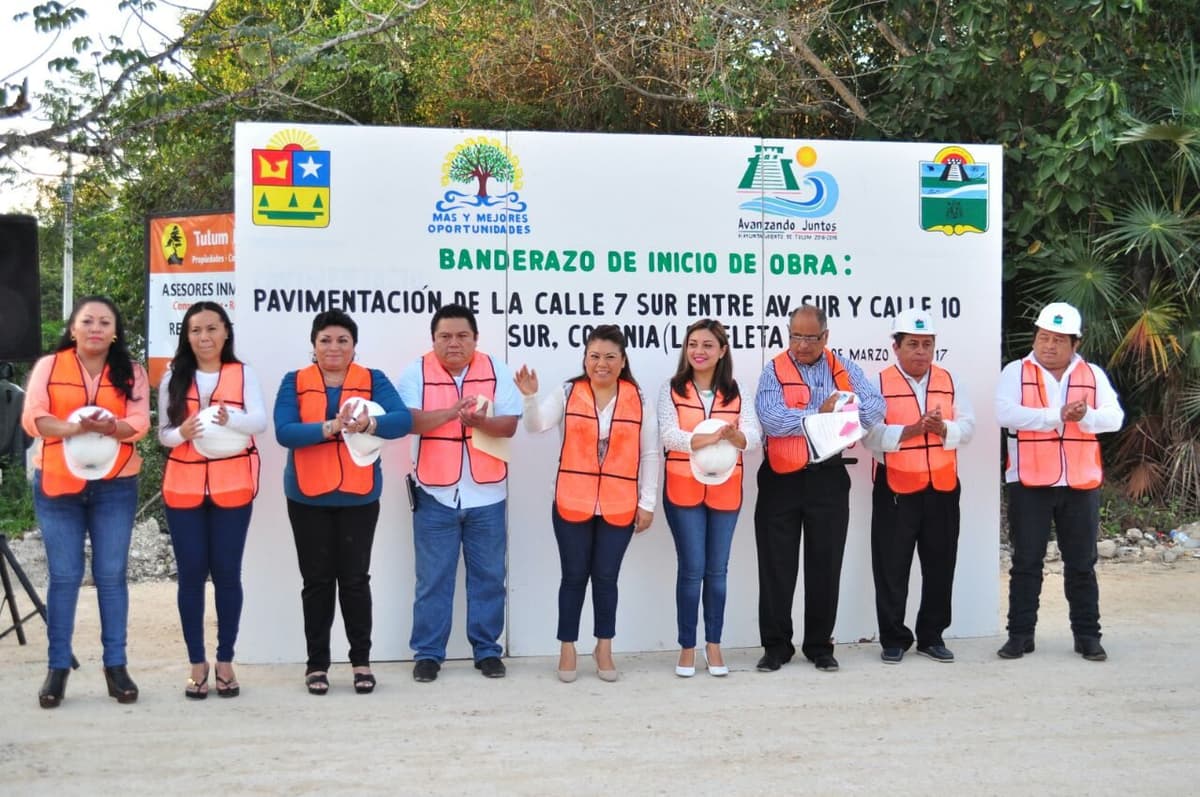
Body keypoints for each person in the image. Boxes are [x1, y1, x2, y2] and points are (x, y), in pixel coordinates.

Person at [21, 296, 150, 708]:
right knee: (64, 576)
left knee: (111, 576)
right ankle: (57, 668)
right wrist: (73, 428)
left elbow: (141, 422)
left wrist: (113, 427)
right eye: (87, 321)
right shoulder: (49, 366)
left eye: (104, 322)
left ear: (115, 332)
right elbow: (32, 417)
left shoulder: (132, 372)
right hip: (58, 484)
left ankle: (117, 667)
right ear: (73, 328)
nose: (95, 328)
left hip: (116, 485)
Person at [274, 310, 412, 694]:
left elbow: (401, 421)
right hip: (307, 496)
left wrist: (369, 424)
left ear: (354, 346)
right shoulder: (294, 382)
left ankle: (361, 663)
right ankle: (316, 665)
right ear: (313, 346)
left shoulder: (373, 380)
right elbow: (285, 431)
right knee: (316, 582)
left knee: (355, 581)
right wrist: (331, 427)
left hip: (359, 495)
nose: (333, 347)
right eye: (325, 340)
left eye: (342, 340)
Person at [516, 324, 659, 682]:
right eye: (594, 356)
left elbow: (651, 453)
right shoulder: (568, 392)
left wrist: (648, 503)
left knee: (607, 578)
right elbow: (536, 426)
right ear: (584, 358)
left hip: (620, 504)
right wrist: (530, 398)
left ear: (623, 361)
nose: (602, 363)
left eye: (611, 357)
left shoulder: (638, 399)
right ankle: (567, 647)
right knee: (574, 576)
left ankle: (604, 647)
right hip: (572, 500)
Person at [753, 304, 884, 673]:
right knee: (776, 565)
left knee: (825, 563)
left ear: (825, 337)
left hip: (828, 476)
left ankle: (819, 645)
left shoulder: (843, 368)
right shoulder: (773, 370)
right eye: (795, 335)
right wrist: (821, 416)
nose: (801, 344)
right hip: (782, 479)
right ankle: (776, 646)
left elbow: (875, 407)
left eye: (810, 337)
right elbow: (772, 419)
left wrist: (835, 418)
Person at [396, 304, 521, 683]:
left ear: (475, 338)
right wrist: (451, 413)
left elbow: (510, 425)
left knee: (488, 577)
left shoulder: (496, 369)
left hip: (487, 495)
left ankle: (486, 651)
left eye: (462, 336)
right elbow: (408, 420)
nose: (454, 343)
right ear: (433, 339)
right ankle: (429, 654)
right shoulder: (415, 370)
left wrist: (483, 422)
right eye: (445, 336)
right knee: (433, 578)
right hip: (434, 494)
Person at [995, 302, 1123, 662]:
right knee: (1026, 562)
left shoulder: (1093, 375)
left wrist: (1087, 417)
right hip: (1029, 481)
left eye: (1057, 340)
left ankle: (1087, 636)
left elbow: (1114, 418)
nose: (1048, 345)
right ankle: (1020, 635)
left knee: (1082, 563)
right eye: (1043, 337)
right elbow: (1004, 412)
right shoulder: (1015, 371)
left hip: (1079, 482)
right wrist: (1056, 415)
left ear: (1075, 343)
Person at [159, 301, 267, 698]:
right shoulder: (173, 376)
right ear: (186, 336)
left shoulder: (243, 374)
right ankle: (196, 663)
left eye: (211, 329)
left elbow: (260, 422)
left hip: (233, 486)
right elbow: (163, 434)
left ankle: (225, 660)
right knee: (190, 577)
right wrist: (182, 433)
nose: (204, 337)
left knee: (226, 575)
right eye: (195, 330)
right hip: (183, 487)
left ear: (226, 332)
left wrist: (230, 419)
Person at [863, 309, 975, 665]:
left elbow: (968, 427)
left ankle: (932, 635)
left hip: (942, 487)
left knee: (941, 566)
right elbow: (868, 435)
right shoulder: (877, 383)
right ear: (895, 347)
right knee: (891, 567)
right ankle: (893, 638)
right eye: (913, 344)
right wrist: (913, 429)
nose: (921, 352)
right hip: (896, 489)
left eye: (927, 344)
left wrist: (943, 430)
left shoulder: (950, 379)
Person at [658, 319, 761, 677]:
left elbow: (753, 436)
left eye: (706, 345)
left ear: (722, 351)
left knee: (717, 572)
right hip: (682, 488)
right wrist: (706, 438)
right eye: (692, 345)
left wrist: (733, 437)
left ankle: (713, 645)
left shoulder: (737, 391)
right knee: (692, 570)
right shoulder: (671, 388)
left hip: (726, 489)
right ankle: (687, 646)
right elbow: (669, 435)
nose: (698, 351)